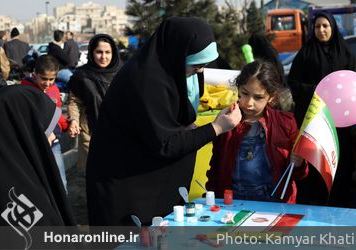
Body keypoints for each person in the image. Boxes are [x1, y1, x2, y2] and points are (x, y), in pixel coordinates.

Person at [86, 17, 242, 226]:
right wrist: (217, 127)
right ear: (179, 54)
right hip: (125, 183)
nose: (201, 70)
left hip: (150, 180)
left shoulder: (172, 69)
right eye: (196, 64)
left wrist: (187, 129)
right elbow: (166, 144)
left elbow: (176, 123)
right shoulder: (147, 81)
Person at [206, 60, 308, 203]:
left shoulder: (285, 123)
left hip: (274, 203)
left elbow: (299, 174)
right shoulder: (226, 120)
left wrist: (299, 163)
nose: (249, 102)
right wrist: (211, 199)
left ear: (271, 96)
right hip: (234, 203)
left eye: (258, 97)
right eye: (245, 93)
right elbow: (216, 167)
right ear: (238, 89)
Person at [288, 11, 356, 206]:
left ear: (332, 28)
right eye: (317, 27)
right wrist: (318, 90)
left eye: (325, 26)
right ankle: (315, 200)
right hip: (314, 121)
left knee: (339, 163)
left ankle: (339, 200)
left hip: (339, 122)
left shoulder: (345, 53)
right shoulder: (305, 53)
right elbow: (293, 83)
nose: (321, 30)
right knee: (315, 161)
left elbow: (353, 82)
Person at [0, 85, 75, 227]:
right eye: (45, 127)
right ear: (23, 128)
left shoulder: (19, 168)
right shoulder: (18, 191)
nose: (52, 136)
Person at [67, 34, 121, 170]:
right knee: (95, 174)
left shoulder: (123, 74)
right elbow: (74, 102)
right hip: (90, 133)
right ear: (92, 52)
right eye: (99, 52)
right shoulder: (82, 76)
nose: (103, 57)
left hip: (119, 133)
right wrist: (74, 120)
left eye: (107, 52)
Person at [21, 55, 69, 192]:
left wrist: (67, 125)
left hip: (53, 144)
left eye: (51, 79)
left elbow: (57, 114)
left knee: (61, 183)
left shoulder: (54, 90)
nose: (47, 83)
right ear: (35, 73)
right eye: (43, 78)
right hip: (33, 145)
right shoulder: (24, 90)